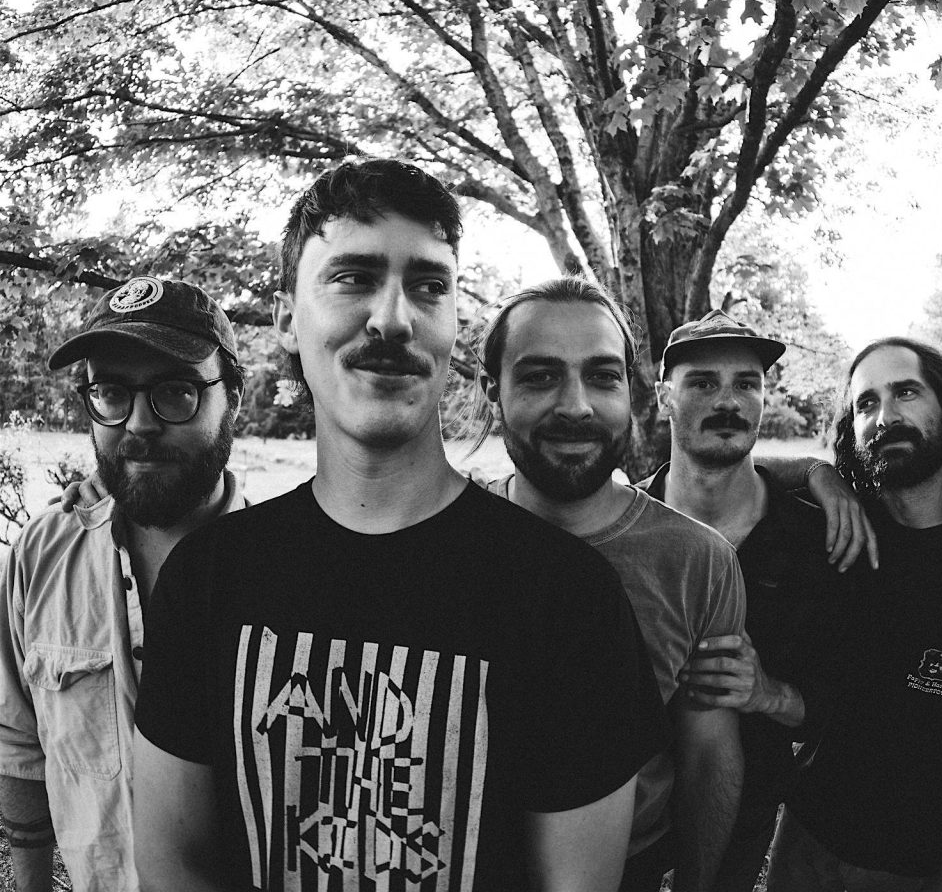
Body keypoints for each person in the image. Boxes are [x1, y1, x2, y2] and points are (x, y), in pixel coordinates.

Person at [130, 159, 668, 892]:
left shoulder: (569, 598)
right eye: (353, 278)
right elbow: (173, 864)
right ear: (287, 320)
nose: (393, 319)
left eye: (429, 285)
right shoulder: (208, 579)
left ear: (452, 324)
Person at [471, 277, 747, 892]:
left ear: (631, 392)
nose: (576, 406)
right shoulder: (445, 540)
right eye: (540, 376)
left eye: (602, 376)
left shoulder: (697, 561)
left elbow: (707, 752)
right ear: (494, 391)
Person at [0, 277, 248, 892]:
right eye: (110, 392)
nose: (138, 425)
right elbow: (20, 745)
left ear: (233, 398)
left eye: (176, 391)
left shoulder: (290, 570)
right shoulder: (43, 554)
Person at [767, 337, 942, 891]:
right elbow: (732, 466)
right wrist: (816, 473)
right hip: (804, 841)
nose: (885, 417)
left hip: (910, 865)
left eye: (906, 392)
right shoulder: (842, 528)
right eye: (866, 403)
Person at [635, 309, 852, 892]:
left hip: (745, 809)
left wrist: (767, 692)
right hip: (621, 815)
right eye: (703, 382)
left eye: (746, 384)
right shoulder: (625, 529)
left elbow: (842, 706)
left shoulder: (817, 541)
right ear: (664, 397)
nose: (728, 401)